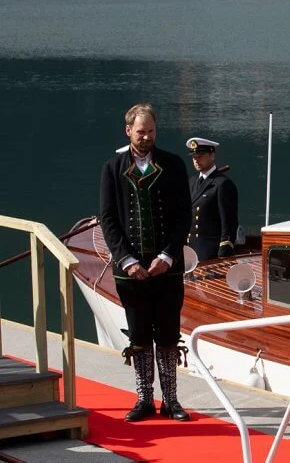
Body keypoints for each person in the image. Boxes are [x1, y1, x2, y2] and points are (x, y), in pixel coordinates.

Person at [100, 103, 192, 422]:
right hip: (131, 273)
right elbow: (109, 220)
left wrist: (168, 255)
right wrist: (126, 260)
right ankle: (144, 399)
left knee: (167, 334)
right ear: (128, 131)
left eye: (151, 131)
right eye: (140, 132)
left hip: (168, 269)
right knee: (139, 335)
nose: (146, 137)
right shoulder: (112, 168)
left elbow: (184, 216)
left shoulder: (175, 165)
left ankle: (171, 400)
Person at [186, 137, 239, 261]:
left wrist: (225, 248)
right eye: (194, 157)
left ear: (212, 155)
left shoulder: (222, 184)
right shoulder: (192, 182)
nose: (196, 160)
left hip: (210, 250)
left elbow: (229, 222)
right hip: (191, 248)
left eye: (200, 156)